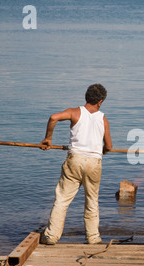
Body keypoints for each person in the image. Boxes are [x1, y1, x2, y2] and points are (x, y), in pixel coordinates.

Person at [39, 83, 113, 245]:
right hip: (94, 162)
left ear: (87, 97)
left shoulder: (75, 112)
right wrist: (103, 151)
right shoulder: (103, 119)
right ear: (100, 101)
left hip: (75, 159)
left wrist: (48, 138)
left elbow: (53, 117)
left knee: (62, 199)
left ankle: (51, 236)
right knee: (92, 200)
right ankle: (93, 237)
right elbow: (108, 146)